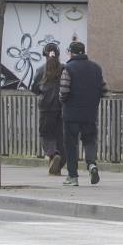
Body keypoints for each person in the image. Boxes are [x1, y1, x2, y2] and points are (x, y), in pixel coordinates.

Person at [59, 40, 107, 187]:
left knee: (71, 144)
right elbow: (104, 89)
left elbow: (64, 90)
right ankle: (91, 164)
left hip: (71, 114)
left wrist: (62, 99)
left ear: (71, 52)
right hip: (90, 113)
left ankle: (73, 177)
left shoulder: (68, 68)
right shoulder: (96, 68)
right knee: (89, 140)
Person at [30, 44, 65, 174]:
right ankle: (58, 164)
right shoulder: (64, 69)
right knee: (60, 136)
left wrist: (42, 92)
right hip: (62, 107)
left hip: (46, 108)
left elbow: (34, 88)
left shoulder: (40, 71)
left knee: (46, 134)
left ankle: (52, 154)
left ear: (45, 55)